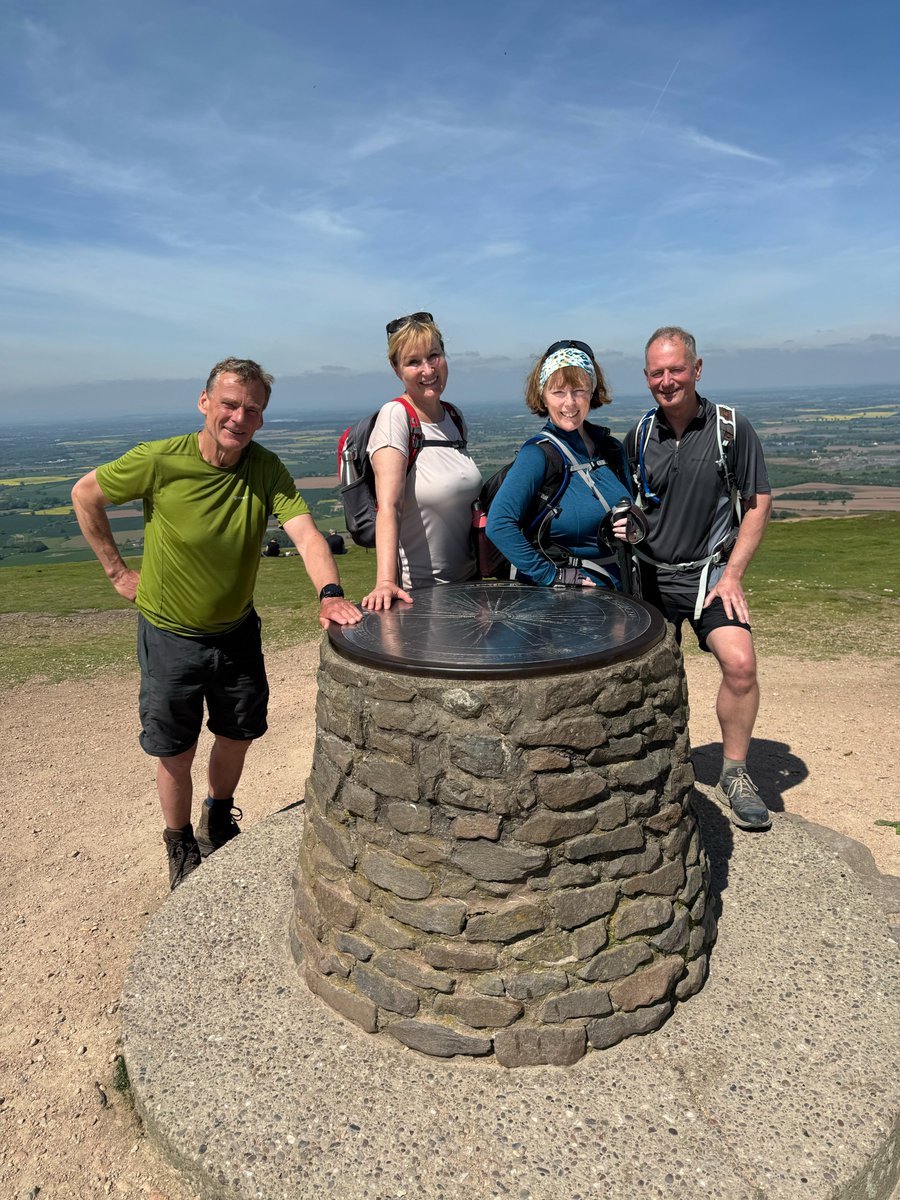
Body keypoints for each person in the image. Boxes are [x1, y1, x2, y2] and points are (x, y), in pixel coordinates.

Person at [71, 357, 362, 890]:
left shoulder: (266, 468)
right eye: (229, 404)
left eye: (251, 409)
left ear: (261, 418)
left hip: (236, 632)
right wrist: (116, 572)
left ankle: (218, 813)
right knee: (174, 750)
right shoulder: (159, 460)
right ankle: (179, 842)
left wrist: (330, 594)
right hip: (169, 635)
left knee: (238, 734)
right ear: (204, 402)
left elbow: (305, 533)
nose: (238, 417)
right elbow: (85, 493)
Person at [623, 326, 773, 831]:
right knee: (650, 681)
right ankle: (658, 772)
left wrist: (732, 576)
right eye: (657, 373)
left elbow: (758, 503)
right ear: (647, 377)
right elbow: (627, 503)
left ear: (697, 368)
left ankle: (734, 774)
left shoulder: (732, 428)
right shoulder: (640, 435)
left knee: (741, 665)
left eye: (676, 369)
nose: (667, 381)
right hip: (650, 579)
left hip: (710, 575)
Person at [485, 340, 633, 587]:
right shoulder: (537, 456)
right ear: (543, 397)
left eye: (579, 390)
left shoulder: (611, 450)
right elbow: (499, 525)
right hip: (565, 606)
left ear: (592, 392)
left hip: (618, 592)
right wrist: (552, 576)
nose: (569, 403)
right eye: (558, 392)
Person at [361, 312, 482, 610]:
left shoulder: (453, 416)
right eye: (413, 362)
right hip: (421, 595)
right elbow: (389, 505)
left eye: (434, 356)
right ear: (396, 368)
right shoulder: (396, 417)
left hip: (469, 585)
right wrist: (386, 582)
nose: (428, 369)